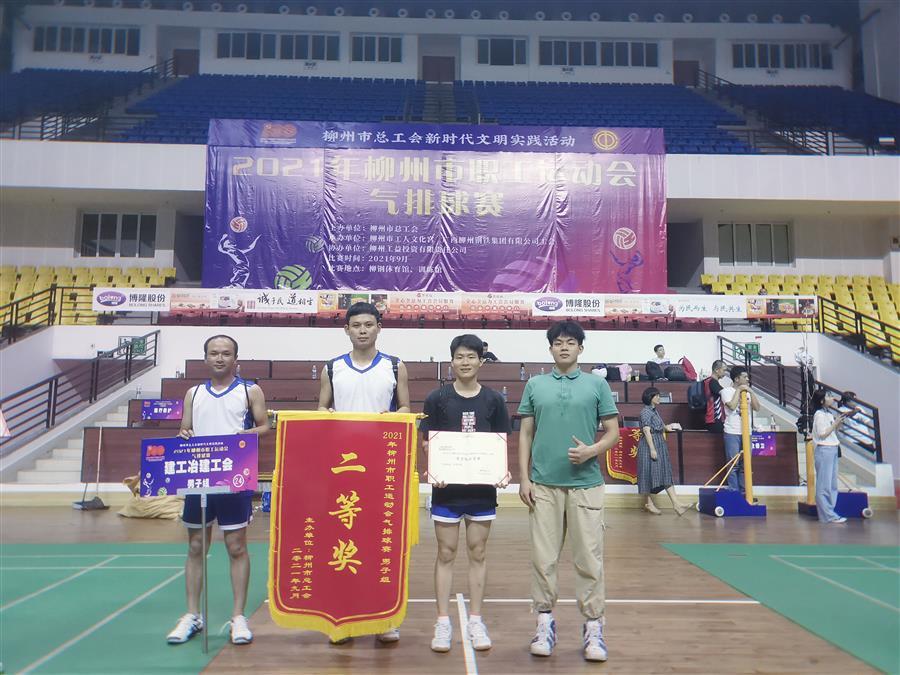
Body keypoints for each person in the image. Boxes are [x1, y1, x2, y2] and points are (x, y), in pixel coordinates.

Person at [518, 320, 620, 663]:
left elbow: (613, 432)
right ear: (550, 349)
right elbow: (525, 434)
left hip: (586, 485)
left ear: (580, 348)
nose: (564, 347)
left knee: (589, 559)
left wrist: (592, 450)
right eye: (558, 342)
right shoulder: (535, 385)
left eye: (570, 342)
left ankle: (593, 627)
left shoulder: (597, 385)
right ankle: (544, 624)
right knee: (543, 558)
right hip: (543, 485)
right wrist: (524, 478)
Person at [317, 301, 410, 644]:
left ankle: (384, 617)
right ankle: (342, 618)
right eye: (356, 325)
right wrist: (327, 417)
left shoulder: (394, 365)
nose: (362, 330)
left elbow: (405, 407)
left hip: (380, 469)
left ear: (379, 328)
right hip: (342, 470)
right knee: (341, 545)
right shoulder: (332, 368)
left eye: (369, 325)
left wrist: (394, 417)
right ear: (346, 329)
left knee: (379, 543)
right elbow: (322, 408)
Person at [166, 335, 269, 646]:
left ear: (236, 359)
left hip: (234, 477)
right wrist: (184, 434)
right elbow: (185, 429)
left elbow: (264, 426)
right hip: (200, 478)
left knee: (236, 546)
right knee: (196, 546)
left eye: (226, 353)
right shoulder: (194, 393)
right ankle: (192, 615)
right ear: (206, 358)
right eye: (214, 353)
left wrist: (244, 434)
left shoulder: (249, 390)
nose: (220, 358)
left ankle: (238, 617)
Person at [420, 334, 510, 653]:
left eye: (471, 356)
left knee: (478, 551)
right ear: (452, 361)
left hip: (482, 490)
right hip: (447, 490)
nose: (465, 362)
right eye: (459, 356)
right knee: (445, 553)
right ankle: (443, 621)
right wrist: (435, 465)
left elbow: (500, 443)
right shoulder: (437, 398)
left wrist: (502, 472)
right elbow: (427, 441)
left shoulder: (494, 400)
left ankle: (475, 620)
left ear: (481, 361)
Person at [637, 387, 692, 516]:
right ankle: (649, 503)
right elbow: (646, 431)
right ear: (650, 398)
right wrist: (652, 449)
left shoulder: (654, 411)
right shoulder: (645, 412)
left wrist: (669, 427)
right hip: (650, 445)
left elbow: (660, 427)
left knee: (665, 473)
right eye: (656, 396)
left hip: (659, 443)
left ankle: (676, 504)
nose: (659, 397)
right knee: (647, 474)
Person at [718, 366, 760, 493]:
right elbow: (731, 406)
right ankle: (734, 491)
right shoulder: (726, 391)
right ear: (736, 379)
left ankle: (744, 492)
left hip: (747, 432)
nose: (747, 379)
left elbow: (757, 408)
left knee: (745, 464)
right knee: (733, 464)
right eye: (744, 377)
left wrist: (750, 392)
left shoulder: (747, 392)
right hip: (732, 432)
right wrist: (739, 390)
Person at [811, 389, 848, 524]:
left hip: (832, 448)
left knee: (832, 484)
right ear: (822, 400)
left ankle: (830, 512)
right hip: (824, 449)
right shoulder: (819, 415)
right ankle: (827, 515)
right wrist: (835, 423)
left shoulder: (828, 413)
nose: (832, 398)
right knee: (824, 484)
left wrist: (839, 423)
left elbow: (832, 432)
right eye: (829, 396)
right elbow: (822, 434)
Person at [704, 360, 728, 433]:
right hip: (715, 419)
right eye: (724, 370)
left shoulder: (707, 381)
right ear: (717, 370)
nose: (725, 373)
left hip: (711, 418)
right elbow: (725, 394)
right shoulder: (712, 382)